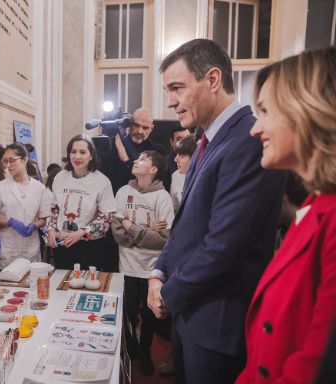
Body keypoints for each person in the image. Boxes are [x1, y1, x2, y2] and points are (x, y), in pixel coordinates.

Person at [146, 39, 287, 383]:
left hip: (217, 323)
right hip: (192, 315)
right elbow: (185, 226)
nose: (170, 101)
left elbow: (223, 246)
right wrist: (158, 272)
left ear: (212, 79)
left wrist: (169, 293)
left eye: (177, 88)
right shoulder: (206, 140)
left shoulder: (247, 140)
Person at [236, 46, 336, 384]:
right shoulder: (311, 209)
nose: (254, 129)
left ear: (309, 111)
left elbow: (315, 365)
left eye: (265, 111)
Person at [112, 150, 174, 376]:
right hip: (127, 264)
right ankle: (131, 348)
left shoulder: (163, 198)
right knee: (128, 310)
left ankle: (145, 349)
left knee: (148, 314)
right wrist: (147, 232)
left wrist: (131, 226)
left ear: (153, 169)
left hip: (151, 268)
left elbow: (164, 240)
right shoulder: (123, 191)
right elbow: (117, 233)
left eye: (141, 160)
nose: (135, 162)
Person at [47, 135, 117, 271]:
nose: (77, 156)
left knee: (85, 286)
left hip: (89, 246)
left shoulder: (102, 181)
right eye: (73, 152)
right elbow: (55, 208)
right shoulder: (60, 177)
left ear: (91, 156)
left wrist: (82, 232)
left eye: (82, 152)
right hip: (62, 244)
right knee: (62, 286)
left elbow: (107, 217)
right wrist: (50, 229)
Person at [0, 143, 52, 275]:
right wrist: (10, 221)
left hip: (30, 249)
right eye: (5, 161)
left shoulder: (39, 188)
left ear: (25, 159)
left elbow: (43, 218)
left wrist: (34, 225)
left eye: (12, 160)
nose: (8, 165)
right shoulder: (0, 187)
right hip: (7, 251)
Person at [110, 107, 168, 193]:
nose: (139, 131)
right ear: (129, 124)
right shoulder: (114, 145)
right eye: (136, 125)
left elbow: (156, 182)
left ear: (151, 128)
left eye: (145, 128)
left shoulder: (159, 151)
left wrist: (126, 160)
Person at [169, 135, 197, 212]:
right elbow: (175, 209)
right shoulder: (176, 176)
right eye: (177, 155)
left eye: (181, 156)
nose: (175, 160)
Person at [162, 125, 191, 191]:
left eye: (187, 138)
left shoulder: (201, 160)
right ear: (171, 142)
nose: (184, 143)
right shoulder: (164, 164)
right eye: (179, 139)